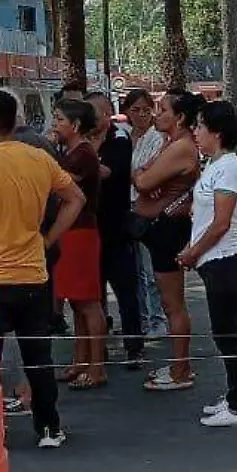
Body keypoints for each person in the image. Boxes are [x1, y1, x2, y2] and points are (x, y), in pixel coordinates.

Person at [0, 90, 86, 449]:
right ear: (14, 121)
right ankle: (49, 427)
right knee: (37, 357)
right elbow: (76, 199)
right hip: (34, 275)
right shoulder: (39, 159)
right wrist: (49, 238)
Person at [182, 101, 237, 428]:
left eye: (199, 126)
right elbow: (204, 217)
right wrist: (192, 248)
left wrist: (194, 251)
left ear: (217, 132)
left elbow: (221, 223)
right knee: (224, 333)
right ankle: (233, 395)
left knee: (228, 335)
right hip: (214, 262)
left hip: (227, 261)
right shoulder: (215, 165)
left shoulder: (228, 168)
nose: (195, 132)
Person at [132, 91, 203, 391]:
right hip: (156, 224)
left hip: (166, 228)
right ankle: (178, 364)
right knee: (167, 300)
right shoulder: (168, 144)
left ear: (180, 117)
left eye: (162, 110)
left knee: (173, 303)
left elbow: (143, 181)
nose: (156, 114)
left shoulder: (181, 147)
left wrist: (143, 173)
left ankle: (181, 369)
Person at [49, 98, 108, 388]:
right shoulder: (71, 151)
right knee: (76, 302)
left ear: (74, 125)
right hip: (71, 232)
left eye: (59, 119)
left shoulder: (83, 154)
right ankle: (80, 360)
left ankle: (97, 366)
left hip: (81, 232)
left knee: (88, 303)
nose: (54, 124)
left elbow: (60, 181)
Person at [88, 90, 145, 368]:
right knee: (92, 293)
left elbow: (108, 171)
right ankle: (98, 347)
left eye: (99, 112)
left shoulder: (118, 139)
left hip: (116, 226)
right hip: (89, 227)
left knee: (125, 290)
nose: (95, 118)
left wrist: (79, 165)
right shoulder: (83, 140)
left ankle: (134, 347)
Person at [121, 89, 168, 339]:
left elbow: (146, 174)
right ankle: (140, 319)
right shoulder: (124, 136)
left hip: (148, 208)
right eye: (135, 110)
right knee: (134, 270)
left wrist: (131, 174)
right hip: (127, 208)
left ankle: (158, 319)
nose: (141, 115)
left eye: (146, 110)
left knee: (151, 270)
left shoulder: (156, 139)